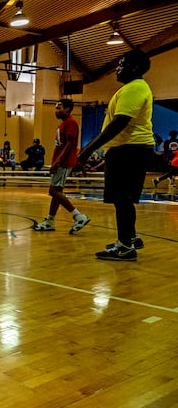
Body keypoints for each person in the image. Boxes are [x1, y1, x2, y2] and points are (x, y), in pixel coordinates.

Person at [78, 50, 154, 261]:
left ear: (135, 68)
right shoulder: (131, 88)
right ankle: (130, 237)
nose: (117, 69)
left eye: (122, 64)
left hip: (130, 148)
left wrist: (86, 150)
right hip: (128, 148)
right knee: (123, 199)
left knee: (121, 198)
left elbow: (119, 123)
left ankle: (125, 247)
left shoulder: (135, 88)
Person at [32, 99, 90, 234]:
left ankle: (78, 216)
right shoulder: (64, 124)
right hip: (61, 162)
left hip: (63, 163)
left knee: (53, 191)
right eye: (55, 108)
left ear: (68, 109)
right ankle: (50, 221)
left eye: (59, 108)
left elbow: (70, 145)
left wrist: (58, 161)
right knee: (56, 192)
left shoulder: (71, 123)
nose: (56, 111)